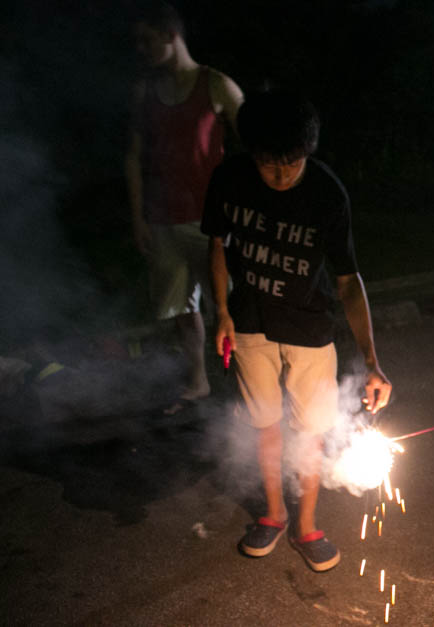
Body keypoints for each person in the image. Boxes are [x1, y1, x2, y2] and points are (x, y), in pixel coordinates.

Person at [201, 88, 392, 572]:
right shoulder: (230, 178)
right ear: (252, 154)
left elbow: (348, 281)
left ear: (308, 151)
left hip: (309, 325)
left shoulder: (327, 194)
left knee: (308, 432)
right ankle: (274, 513)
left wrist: (372, 362)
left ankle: (307, 524)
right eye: (269, 164)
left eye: (291, 163)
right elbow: (218, 245)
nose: (281, 174)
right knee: (265, 425)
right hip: (249, 321)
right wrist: (221, 309)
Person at [125, 1, 243, 414]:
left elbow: (254, 143)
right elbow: (134, 156)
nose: (142, 48)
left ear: (171, 36)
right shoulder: (146, 93)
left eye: (148, 40)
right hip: (163, 219)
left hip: (213, 220)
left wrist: (245, 207)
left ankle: (248, 386)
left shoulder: (215, 84)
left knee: (228, 305)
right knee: (179, 309)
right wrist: (139, 215)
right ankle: (198, 382)